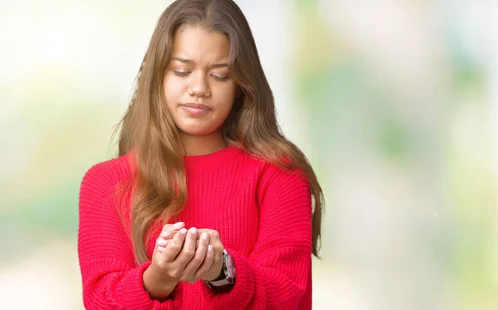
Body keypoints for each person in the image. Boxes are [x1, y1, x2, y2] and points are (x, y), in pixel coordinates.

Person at [77, 0, 324, 309]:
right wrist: (158, 277)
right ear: (158, 77)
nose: (199, 88)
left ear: (241, 85)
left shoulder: (279, 174)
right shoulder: (106, 182)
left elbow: (290, 297)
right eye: (182, 71)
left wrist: (223, 271)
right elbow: (100, 301)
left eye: (219, 75)